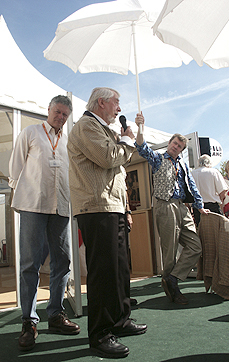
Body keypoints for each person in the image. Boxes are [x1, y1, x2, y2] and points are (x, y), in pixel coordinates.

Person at [67, 87, 147, 358]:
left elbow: (119, 172)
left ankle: (120, 320)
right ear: (101, 102)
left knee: (120, 268)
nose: (119, 108)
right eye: (116, 102)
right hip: (96, 207)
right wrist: (126, 141)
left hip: (113, 207)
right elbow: (109, 158)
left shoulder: (107, 131)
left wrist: (125, 208)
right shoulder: (86, 126)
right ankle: (100, 334)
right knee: (103, 272)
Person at [9, 95, 80, 351]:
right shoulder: (30, 132)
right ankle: (29, 320)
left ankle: (56, 314)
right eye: (57, 112)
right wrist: (18, 196)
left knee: (63, 262)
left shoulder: (68, 142)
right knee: (30, 263)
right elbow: (16, 166)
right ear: (48, 110)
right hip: (33, 205)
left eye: (64, 115)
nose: (60, 117)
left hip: (60, 207)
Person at [135, 113, 209, 305]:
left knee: (195, 246)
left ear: (182, 150)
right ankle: (173, 289)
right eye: (174, 144)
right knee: (169, 251)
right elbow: (142, 148)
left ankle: (172, 278)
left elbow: (191, 185)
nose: (176, 147)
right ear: (169, 143)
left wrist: (200, 206)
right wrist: (140, 127)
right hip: (164, 204)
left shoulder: (183, 164)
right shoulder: (158, 159)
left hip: (182, 207)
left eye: (180, 146)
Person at [191, 154, 228, 226]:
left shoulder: (192, 173)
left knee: (201, 233)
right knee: (217, 232)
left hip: (197, 208)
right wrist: (221, 205)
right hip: (213, 207)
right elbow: (222, 192)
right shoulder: (214, 172)